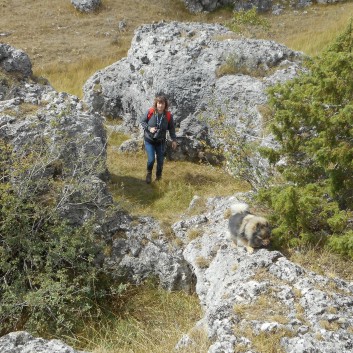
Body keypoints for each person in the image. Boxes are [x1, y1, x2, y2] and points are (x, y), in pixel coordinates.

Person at [140, 95, 177, 183]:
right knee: (151, 159)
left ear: (165, 105)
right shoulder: (150, 112)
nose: (160, 105)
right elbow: (142, 121)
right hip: (149, 140)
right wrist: (149, 128)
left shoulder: (168, 116)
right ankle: (149, 173)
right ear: (156, 104)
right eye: (159, 103)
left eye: (162, 103)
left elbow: (171, 128)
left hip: (161, 142)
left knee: (160, 161)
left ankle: (158, 177)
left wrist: (174, 140)